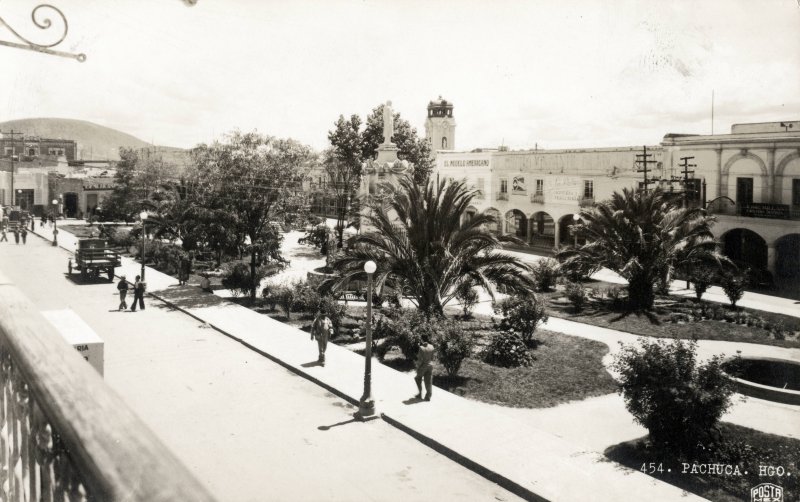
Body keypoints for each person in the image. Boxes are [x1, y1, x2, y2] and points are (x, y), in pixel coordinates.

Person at [414, 334, 435, 401]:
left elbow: (420, 360)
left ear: (422, 339)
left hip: (423, 366)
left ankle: (420, 394)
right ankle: (428, 396)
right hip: (430, 365)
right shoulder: (432, 346)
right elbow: (432, 358)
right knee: (428, 381)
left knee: (417, 378)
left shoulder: (421, 348)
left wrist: (417, 367)